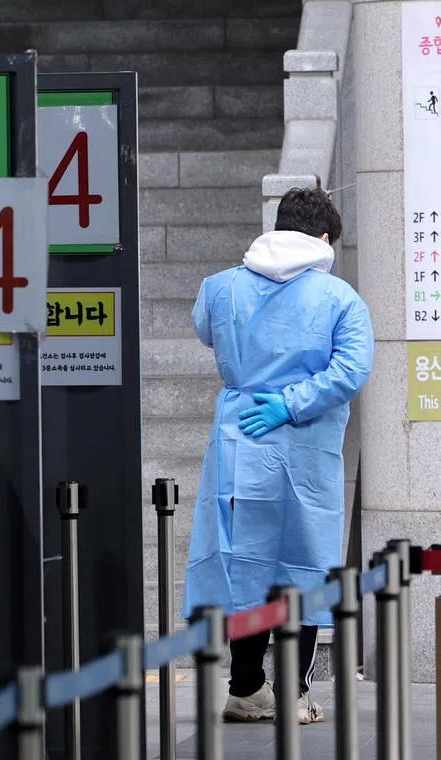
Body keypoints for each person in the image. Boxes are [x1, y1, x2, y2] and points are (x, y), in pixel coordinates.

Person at [181, 187, 374, 726]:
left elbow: (204, 330)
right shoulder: (339, 299)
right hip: (303, 452)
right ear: (323, 237)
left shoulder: (220, 288)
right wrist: (293, 401)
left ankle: (245, 688)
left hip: (240, 448)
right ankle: (293, 693)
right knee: (302, 569)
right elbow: (352, 370)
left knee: (248, 570)